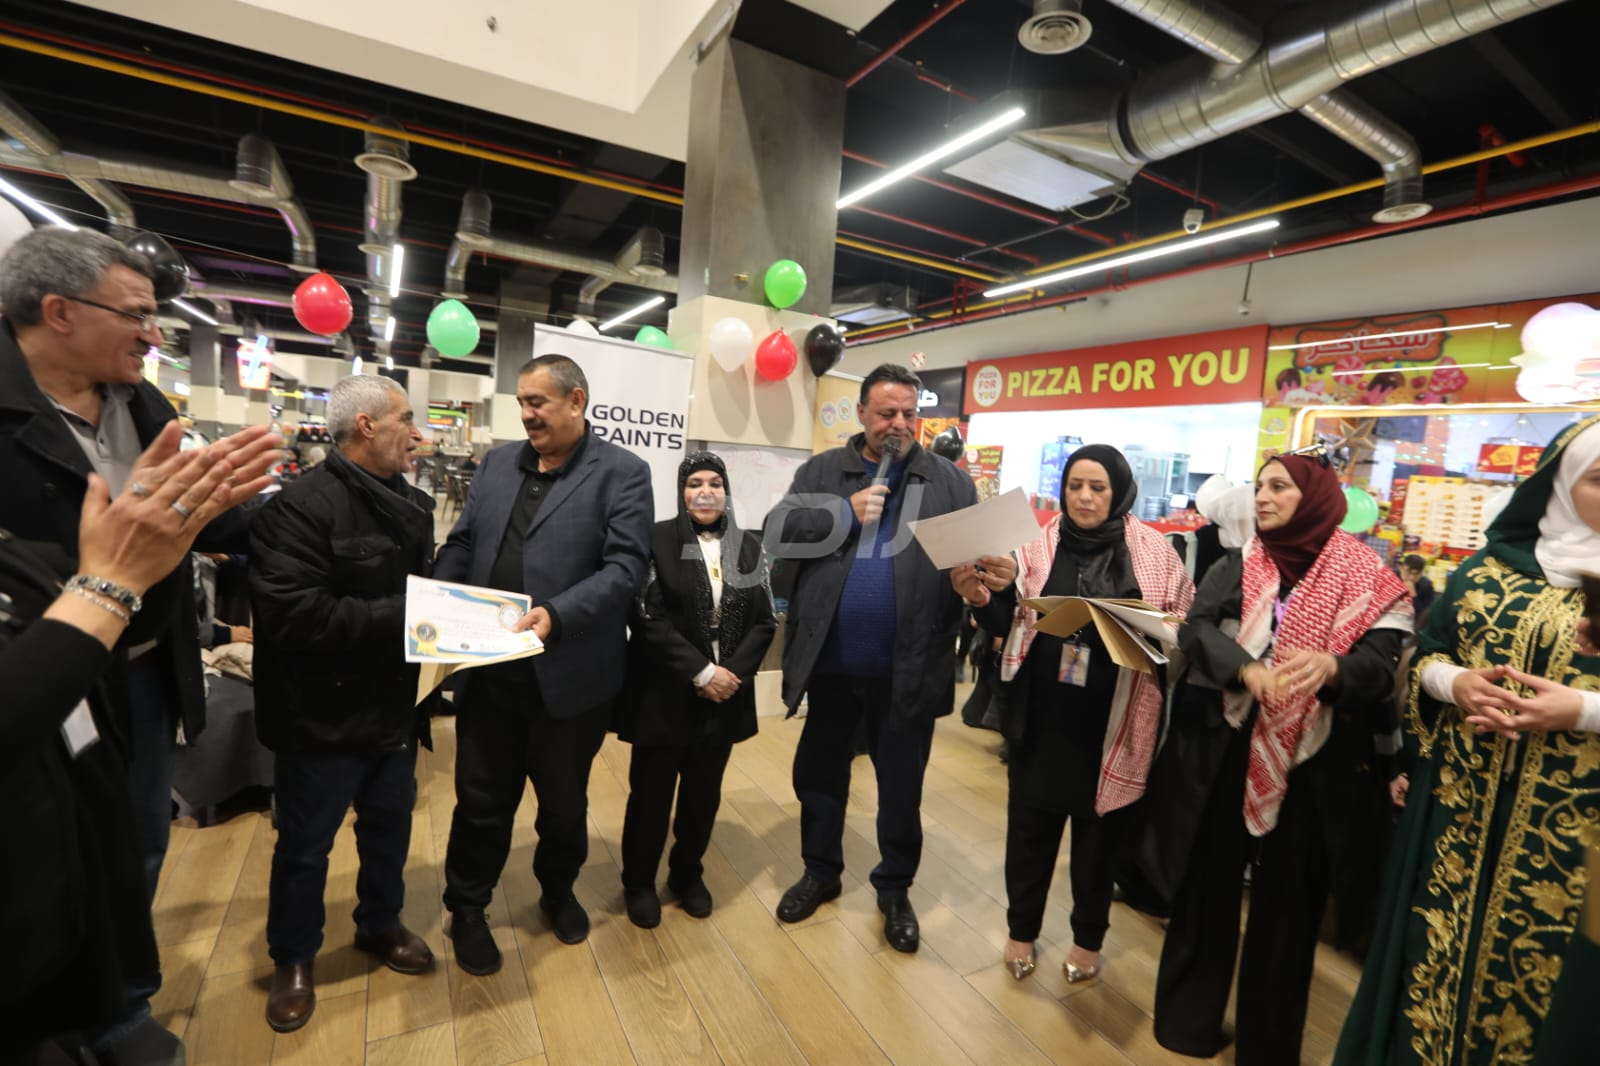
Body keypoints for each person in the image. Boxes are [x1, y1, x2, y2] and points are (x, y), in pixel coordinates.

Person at [0, 226, 278, 1064]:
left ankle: (121, 1004)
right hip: (42, 678)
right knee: (48, 850)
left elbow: (200, 524)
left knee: (137, 836)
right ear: (59, 312)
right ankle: (55, 1015)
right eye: (137, 315)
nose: (155, 334)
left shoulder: (143, 405)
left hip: (146, 669)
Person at [1334, 416, 1600, 1065]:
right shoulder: (1487, 573)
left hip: (1576, 840)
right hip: (1460, 816)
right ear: (1560, 483)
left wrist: (1584, 711)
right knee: (1434, 967)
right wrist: (1455, 683)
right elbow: (1430, 654)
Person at [1153, 446, 1412, 1064]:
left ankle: (1267, 1048)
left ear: (1316, 499)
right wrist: (1246, 669)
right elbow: (1197, 627)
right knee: (1208, 885)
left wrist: (1333, 668)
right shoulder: (1243, 561)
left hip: (1315, 760)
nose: (1263, 498)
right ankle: (1188, 1024)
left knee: (1289, 906)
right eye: (1260, 486)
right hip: (1230, 741)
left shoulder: (1367, 576)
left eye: (1279, 488)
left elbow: (1380, 668)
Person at [434, 353, 652, 975]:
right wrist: (440, 599)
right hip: (489, 674)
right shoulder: (498, 463)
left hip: (570, 678)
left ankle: (557, 890)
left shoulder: (622, 473)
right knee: (480, 802)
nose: (527, 415)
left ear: (576, 401)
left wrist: (557, 613)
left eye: (538, 402)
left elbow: (625, 568)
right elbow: (464, 541)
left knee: (563, 804)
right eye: (522, 403)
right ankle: (467, 908)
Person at [956, 445, 1194, 984]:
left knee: (1098, 845)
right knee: (1029, 835)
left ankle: (1088, 941)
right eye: (1075, 486)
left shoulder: (1156, 555)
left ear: (1120, 492)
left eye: (1098, 487)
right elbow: (1004, 619)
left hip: (1114, 725)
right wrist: (981, 599)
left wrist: (1150, 629)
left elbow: (1182, 628)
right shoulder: (1035, 546)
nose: (1084, 497)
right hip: (1041, 718)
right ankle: (1021, 932)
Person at [763, 363, 980, 953]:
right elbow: (777, 532)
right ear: (861, 414)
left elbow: (971, 572)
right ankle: (820, 872)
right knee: (820, 778)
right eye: (887, 413)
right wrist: (842, 512)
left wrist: (978, 584)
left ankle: (894, 888)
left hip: (909, 668)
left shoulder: (950, 484)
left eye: (910, 413)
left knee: (901, 788)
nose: (899, 424)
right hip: (831, 665)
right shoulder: (822, 472)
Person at [248, 374, 438, 1032]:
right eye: (406, 419)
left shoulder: (414, 504)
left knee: (390, 828)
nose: (418, 433)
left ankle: (379, 924)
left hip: (394, 706)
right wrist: (410, 611)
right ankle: (293, 957)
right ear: (367, 426)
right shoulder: (297, 509)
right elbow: (295, 616)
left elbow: (425, 594)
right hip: (318, 715)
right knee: (305, 847)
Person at [614, 452, 776, 927]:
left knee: (703, 794)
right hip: (664, 690)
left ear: (726, 491)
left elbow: (765, 619)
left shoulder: (749, 546)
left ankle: (687, 873)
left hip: (724, 695)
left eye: (715, 483)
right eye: (694, 484)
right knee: (650, 795)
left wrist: (729, 676)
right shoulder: (656, 539)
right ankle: (639, 882)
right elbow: (646, 615)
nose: (706, 492)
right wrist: (702, 672)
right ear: (681, 491)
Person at [1398, 552, 1437, 617]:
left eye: (1416, 574)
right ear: (1401, 568)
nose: (1412, 577)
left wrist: (1413, 595)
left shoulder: (1426, 586)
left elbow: (1423, 615)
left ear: (1421, 573)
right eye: (1408, 572)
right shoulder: (1391, 578)